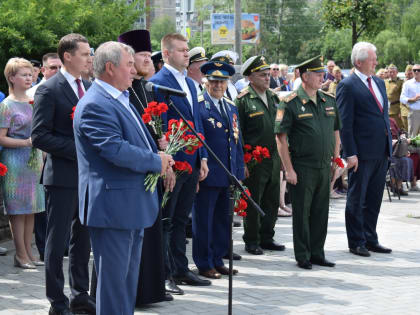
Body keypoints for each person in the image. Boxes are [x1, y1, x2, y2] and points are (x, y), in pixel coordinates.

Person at [73, 41, 174, 315]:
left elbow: (136, 142)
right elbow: (114, 149)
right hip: (113, 208)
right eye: (129, 65)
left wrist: (161, 157)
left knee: (126, 284)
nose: (134, 71)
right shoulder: (96, 104)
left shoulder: (120, 97)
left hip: (129, 204)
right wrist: (156, 161)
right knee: (114, 285)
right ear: (109, 68)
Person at [31, 33, 95, 315]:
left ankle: (81, 294)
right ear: (67, 56)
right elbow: (39, 136)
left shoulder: (91, 86)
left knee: (83, 241)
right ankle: (57, 302)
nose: (89, 58)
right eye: (84, 54)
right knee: (56, 245)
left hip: (89, 178)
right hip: (63, 178)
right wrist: (79, 149)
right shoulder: (49, 89)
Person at [149, 33, 211, 288]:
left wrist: (203, 157)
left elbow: (198, 122)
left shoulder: (191, 83)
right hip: (173, 163)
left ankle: (180, 269)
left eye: (187, 50)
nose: (187, 54)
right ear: (166, 54)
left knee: (182, 219)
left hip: (193, 159)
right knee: (167, 218)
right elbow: (158, 126)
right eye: (182, 50)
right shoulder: (157, 83)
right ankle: (164, 274)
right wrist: (168, 164)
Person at [117, 28, 173, 304]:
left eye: (150, 55)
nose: (149, 60)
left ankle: (150, 290)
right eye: (142, 55)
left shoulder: (146, 89)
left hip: (151, 171)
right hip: (132, 173)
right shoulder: (120, 93)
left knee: (151, 231)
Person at [275, 55, 340, 269]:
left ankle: (317, 252)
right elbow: (281, 139)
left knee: (321, 211)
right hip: (302, 167)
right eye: (318, 74)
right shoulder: (290, 102)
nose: (323, 77)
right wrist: (289, 170)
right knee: (302, 213)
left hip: (324, 165)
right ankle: (303, 255)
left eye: (323, 73)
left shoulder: (328, 100)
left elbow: (335, 132)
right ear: (305, 76)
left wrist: (336, 159)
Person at [336, 42, 392, 257]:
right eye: (372, 59)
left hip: (381, 151)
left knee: (374, 198)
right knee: (357, 198)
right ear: (359, 62)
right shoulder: (347, 85)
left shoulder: (378, 82)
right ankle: (356, 241)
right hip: (360, 154)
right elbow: (345, 123)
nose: (376, 62)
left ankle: (370, 238)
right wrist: (350, 153)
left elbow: (382, 115)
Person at [193, 60, 245, 279]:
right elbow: (197, 139)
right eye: (214, 81)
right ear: (206, 81)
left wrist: (239, 172)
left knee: (223, 221)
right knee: (204, 221)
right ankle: (204, 263)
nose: (218, 86)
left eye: (222, 82)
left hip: (228, 173)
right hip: (209, 173)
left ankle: (218, 259)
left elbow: (237, 140)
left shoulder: (230, 106)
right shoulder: (198, 104)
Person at [236, 55, 285, 255]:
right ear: (250, 77)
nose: (267, 78)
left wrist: (284, 157)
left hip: (273, 157)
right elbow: (237, 134)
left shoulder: (274, 98)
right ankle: (252, 239)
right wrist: (242, 162)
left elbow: (281, 129)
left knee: (272, 200)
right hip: (254, 160)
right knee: (253, 200)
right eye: (262, 75)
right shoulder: (243, 100)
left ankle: (267, 236)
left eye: (268, 75)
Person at [0, 57, 45, 269]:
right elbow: (1, 138)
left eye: (31, 74)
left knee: (32, 209)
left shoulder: (32, 101)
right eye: (25, 75)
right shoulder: (6, 105)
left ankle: (29, 251)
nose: (30, 77)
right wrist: (25, 142)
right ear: (12, 78)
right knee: (18, 210)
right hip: (15, 162)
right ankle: (20, 254)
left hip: (34, 159)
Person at [400, 64, 420, 138]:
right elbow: (402, 98)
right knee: (412, 137)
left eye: (418, 70)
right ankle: (411, 150)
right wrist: (412, 99)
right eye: (414, 70)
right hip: (414, 112)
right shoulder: (407, 84)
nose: (416, 72)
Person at [386, 64, 404, 129]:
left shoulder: (401, 82)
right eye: (390, 72)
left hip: (396, 110)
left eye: (393, 72)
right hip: (386, 110)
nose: (392, 73)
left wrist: (400, 111)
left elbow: (402, 98)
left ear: (397, 72)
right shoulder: (384, 82)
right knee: (389, 129)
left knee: (398, 129)